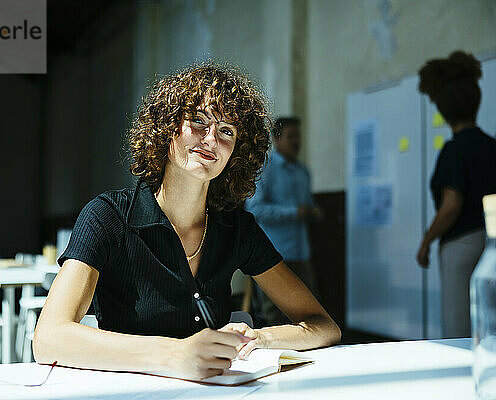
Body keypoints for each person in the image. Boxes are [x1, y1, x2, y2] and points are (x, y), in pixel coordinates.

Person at [33, 64, 341, 381]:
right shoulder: (108, 216)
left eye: (227, 131)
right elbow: (48, 338)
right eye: (198, 121)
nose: (211, 139)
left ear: (236, 152)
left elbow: (323, 326)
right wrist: (175, 355)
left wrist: (259, 337)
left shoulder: (237, 227)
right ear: (167, 128)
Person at [415, 51, 496, 338]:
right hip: (492, 242)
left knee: (458, 326)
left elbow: (451, 205)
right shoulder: (491, 145)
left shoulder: (454, 150)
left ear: (443, 106)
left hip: (461, 245)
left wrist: (426, 240)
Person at [245, 117, 322, 326]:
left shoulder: (303, 171)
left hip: (301, 252)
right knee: (273, 317)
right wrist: (295, 212)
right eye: (291, 136)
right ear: (277, 139)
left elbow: (306, 205)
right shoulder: (264, 169)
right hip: (274, 255)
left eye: (298, 136)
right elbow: (254, 209)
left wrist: (313, 211)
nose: (297, 141)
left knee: (310, 317)